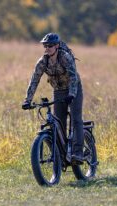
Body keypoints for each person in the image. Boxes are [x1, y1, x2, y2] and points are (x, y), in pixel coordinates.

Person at [22, 33, 84, 164]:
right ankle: (61, 155)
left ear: (57, 46)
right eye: (45, 45)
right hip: (58, 91)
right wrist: (27, 100)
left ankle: (77, 153)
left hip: (74, 89)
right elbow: (34, 81)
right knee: (58, 122)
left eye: (50, 45)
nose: (47, 48)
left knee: (75, 118)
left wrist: (72, 94)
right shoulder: (42, 62)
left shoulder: (65, 57)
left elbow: (73, 77)